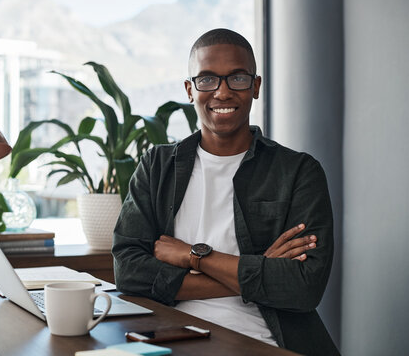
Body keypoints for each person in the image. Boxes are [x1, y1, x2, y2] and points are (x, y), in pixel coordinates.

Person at [112, 28, 339, 355]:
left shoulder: (299, 172)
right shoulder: (156, 166)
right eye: (206, 80)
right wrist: (259, 268)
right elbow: (128, 270)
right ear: (190, 90)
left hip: (264, 340)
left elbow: (303, 287)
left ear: (255, 86)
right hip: (168, 337)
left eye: (237, 78)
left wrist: (194, 256)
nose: (222, 92)